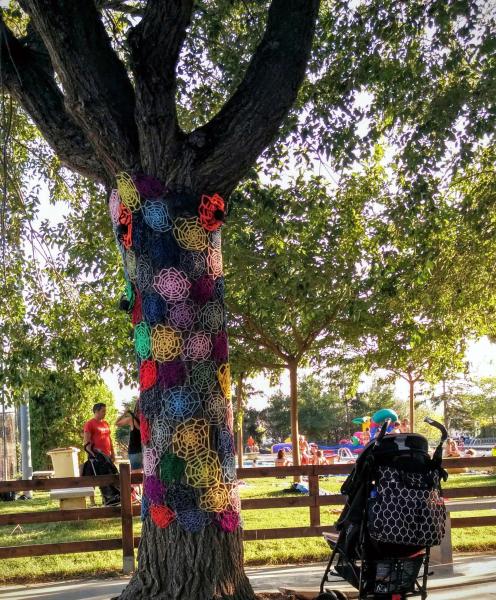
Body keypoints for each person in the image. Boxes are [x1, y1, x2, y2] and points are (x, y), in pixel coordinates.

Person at [82, 403, 119, 506]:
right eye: (103, 411)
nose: (105, 413)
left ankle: (109, 498)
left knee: (109, 476)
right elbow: (86, 441)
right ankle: (92, 501)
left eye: (105, 411)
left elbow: (109, 439)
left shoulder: (106, 423)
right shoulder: (90, 424)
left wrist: (113, 453)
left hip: (106, 456)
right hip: (96, 456)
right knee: (92, 477)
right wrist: (92, 454)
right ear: (96, 411)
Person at [116, 407, 142, 471]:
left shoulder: (131, 419)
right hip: (141, 451)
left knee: (135, 475)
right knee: (140, 474)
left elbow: (117, 423)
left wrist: (124, 413)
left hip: (134, 452)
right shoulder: (142, 421)